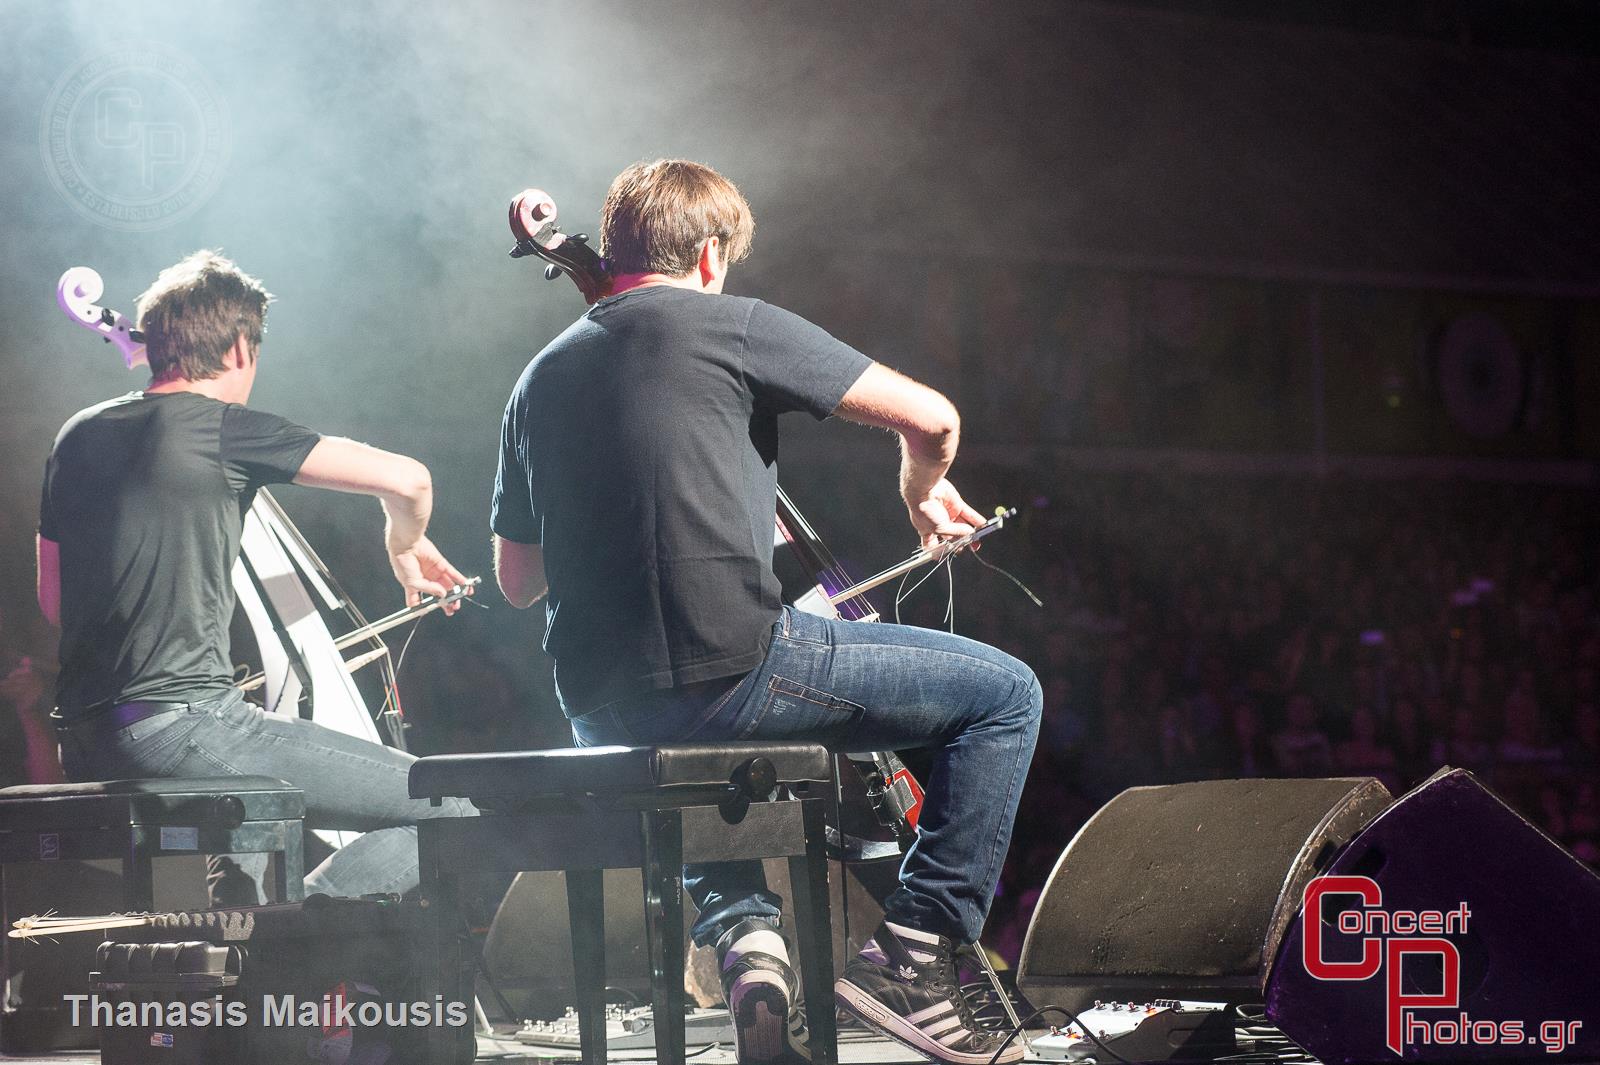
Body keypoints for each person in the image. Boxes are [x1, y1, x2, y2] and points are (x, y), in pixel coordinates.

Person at [492, 160, 1042, 1065]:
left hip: (598, 706)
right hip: (737, 667)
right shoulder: (729, 325)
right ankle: (917, 950)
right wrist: (924, 493)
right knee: (1006, 696)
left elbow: (518, 582)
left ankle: (751, 952)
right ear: (709, 254)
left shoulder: (535, 380)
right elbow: (932, 419)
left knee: (691, 756)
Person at [37, 250, 475, 904]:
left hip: (87, 740)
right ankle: (285, 946)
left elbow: (53, 603)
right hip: (185, 727)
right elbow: (411, 479)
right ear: (240, 347)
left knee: (247, 844)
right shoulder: (224, 430)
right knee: (457, 810)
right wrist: (401, 540)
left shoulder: (77, 435)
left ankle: (242, 941)